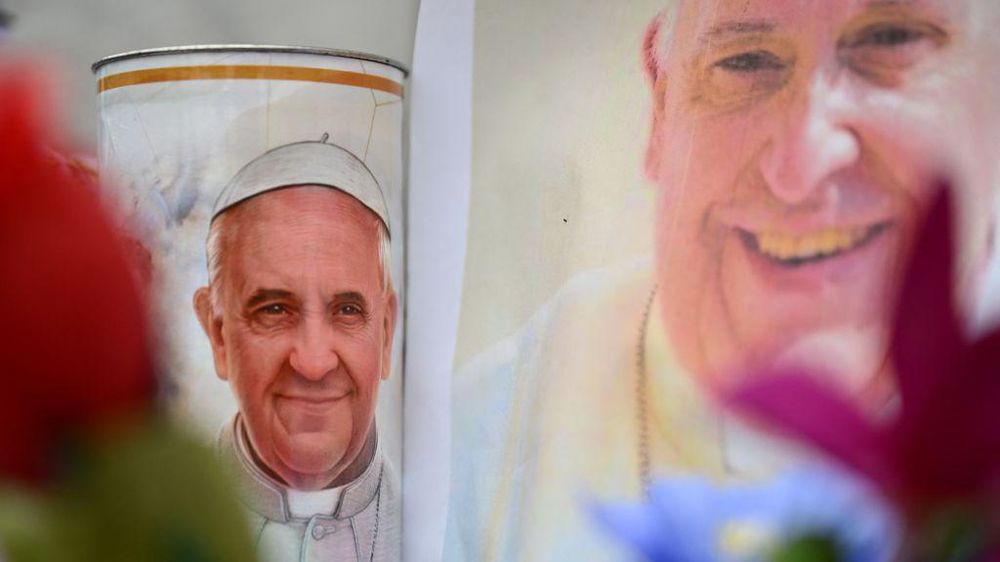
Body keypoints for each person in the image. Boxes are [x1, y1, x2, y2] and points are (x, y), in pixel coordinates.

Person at [447, 0, 1000, 560]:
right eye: (746, 61)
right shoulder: (481, 442)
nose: (801, 165)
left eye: (890, 40)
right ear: (661, 108)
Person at [193, 138, 399, 562]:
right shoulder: (154, 525)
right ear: (218, 335)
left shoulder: (447, 513)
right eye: (274, 310)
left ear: (385, 331)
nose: (313, 362)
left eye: (347, 310)